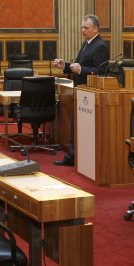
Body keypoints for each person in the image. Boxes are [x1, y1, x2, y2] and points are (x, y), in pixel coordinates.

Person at [52, 14, 110, 166]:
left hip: (89, 92)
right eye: (82, 28)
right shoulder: (87, 43)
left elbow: (101, 71)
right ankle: (73, 157)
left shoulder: (100, 46)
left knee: (80, 127)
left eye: (86, 28)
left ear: (96, 29)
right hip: (80, 90)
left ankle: (75, 158)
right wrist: (64, 66)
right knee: (76, 126)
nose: (83, 30)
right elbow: (80, 65)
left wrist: (81, 69)